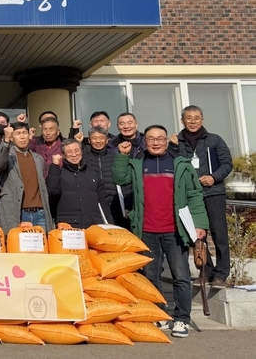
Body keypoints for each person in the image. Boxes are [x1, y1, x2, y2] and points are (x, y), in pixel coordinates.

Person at [113, 124, 208, 338]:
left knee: (181, 275)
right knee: (150, 276)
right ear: (145, 141)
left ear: (167, 141)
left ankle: (182, 318)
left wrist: (200, 224)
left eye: (160, 138)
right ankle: (158, 313)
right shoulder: (137, 164)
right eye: (151, 139)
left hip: (175, 230)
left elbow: (194, 195)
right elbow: (120, 179)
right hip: (146, 230)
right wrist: (122, 155)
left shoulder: (180, 165)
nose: (156, 142)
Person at [169, 105, 233, 288]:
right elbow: (173, 164)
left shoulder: (214, 140)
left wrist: (214, 177)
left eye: (196, 117)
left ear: (202, 119)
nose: (193, 121)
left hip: (213, 193)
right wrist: (173, 147)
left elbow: (227, 164)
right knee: (197, 235)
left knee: (219, 233)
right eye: (189, 118)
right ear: (182, 120)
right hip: (191, 196)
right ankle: (205, 272)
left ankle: (221, 274)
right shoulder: (177, 141)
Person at [0, 122, 53, 233]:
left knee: (42, 247)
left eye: (24, 133)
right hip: (17, 213)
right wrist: (6, 141)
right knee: (17, 247)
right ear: (12, 136)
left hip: (40, 213)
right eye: (18, 133)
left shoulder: (38, 158)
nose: (22, 136)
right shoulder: (8, 155)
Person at [46, 139, 112, 228]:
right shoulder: (58, 173)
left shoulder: (92, 173)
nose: (74, 154)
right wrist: (54, 166)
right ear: (63, 155)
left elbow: (102, 201)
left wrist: (109, 222)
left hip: (93, 224)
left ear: (82, 151)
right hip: (68, 226)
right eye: (69, 152)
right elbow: (52, 190)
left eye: (76, 151)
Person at [82, 127, 127, 228]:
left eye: (101, 138)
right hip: (93, 204)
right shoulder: (84, 159)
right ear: (89, 141)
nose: (98, 141)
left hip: (115, 204)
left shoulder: (115, 157)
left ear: (107, 140)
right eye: (94, 138)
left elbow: (124, 182)